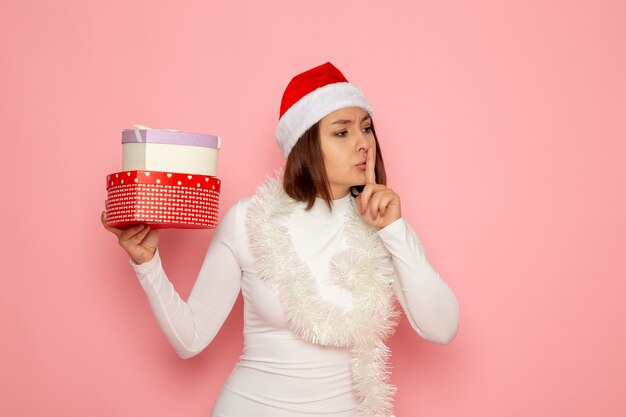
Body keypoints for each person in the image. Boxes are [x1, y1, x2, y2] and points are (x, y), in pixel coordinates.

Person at [101, 62, 459, 417]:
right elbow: (189, 340)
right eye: (342, 132)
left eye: (367, 128)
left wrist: (394, 231)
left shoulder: (384, 224)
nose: (364, 143)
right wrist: (147, 264)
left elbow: (442, 329)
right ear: (304, 145)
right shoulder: (248, 220)